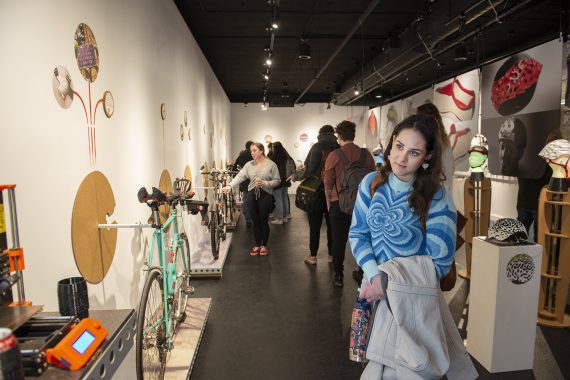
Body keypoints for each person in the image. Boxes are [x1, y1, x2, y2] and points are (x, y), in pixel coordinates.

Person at [349, 115, 468, 378]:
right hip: (373, 294)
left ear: (426, 158)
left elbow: (439, 261)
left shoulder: (437, 197)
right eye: (399, 146)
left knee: (404, 370)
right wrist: (373, 275)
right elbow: (358, 233)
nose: (402, 158)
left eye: (414, 152)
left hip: (413, 302)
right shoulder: (371, 184)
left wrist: (387, 280)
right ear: (391, 143)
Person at [324, 120, 375, 287]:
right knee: (364, 239)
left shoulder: (334, 155)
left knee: (339, 241)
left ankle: (338, 275)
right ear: (354, 135)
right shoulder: (366, 155)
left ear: (339, 136)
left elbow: (328, 183)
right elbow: (373, 180)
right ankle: (362, 272)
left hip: (339, 204)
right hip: (362, 205)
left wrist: (329, 203)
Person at [290, 125, 339, 265]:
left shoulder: (316, 147)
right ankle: (331, 255)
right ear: (333, 133)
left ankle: (313, 256)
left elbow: (309, 169)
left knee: (315, 225)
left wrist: (295, 176)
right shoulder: (338, 147)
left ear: (320, 133)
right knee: (332, 225)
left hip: (315, 192)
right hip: (334, 192)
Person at [223, 143, 280, 255]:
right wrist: (230, 185)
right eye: (251, 151)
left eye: (254, 150)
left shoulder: (271, 165)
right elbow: (240, 176)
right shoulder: (249, 165)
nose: (252, 153)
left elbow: (277, 180)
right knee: (255, 221)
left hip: (266, 195)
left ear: (261, 151)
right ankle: (257, 245)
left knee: (263, 220)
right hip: (251, 195)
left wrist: (265, 183)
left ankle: (264, 245)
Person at [417, 102, 454, 192]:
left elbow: (447, 166)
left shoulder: (431, 139)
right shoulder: (443, 139)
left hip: (433, 188)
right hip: (440, 187)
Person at [269, 141, 292, 224]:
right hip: (286, 180)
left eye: (272, 147)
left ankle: (279, 219)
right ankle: (286, 217)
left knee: (278, 200)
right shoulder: (286, 156)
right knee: (284, 198)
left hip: (278, 181)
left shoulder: (274, 157)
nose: (271, 149)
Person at [234, 141, 254, 226]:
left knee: (245, 200)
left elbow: (234, 168)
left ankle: (248, 219)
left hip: (245, 181)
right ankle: (254, 218)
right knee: (254, 199)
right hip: (254, 180)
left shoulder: (241, 155)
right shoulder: (254, 155)